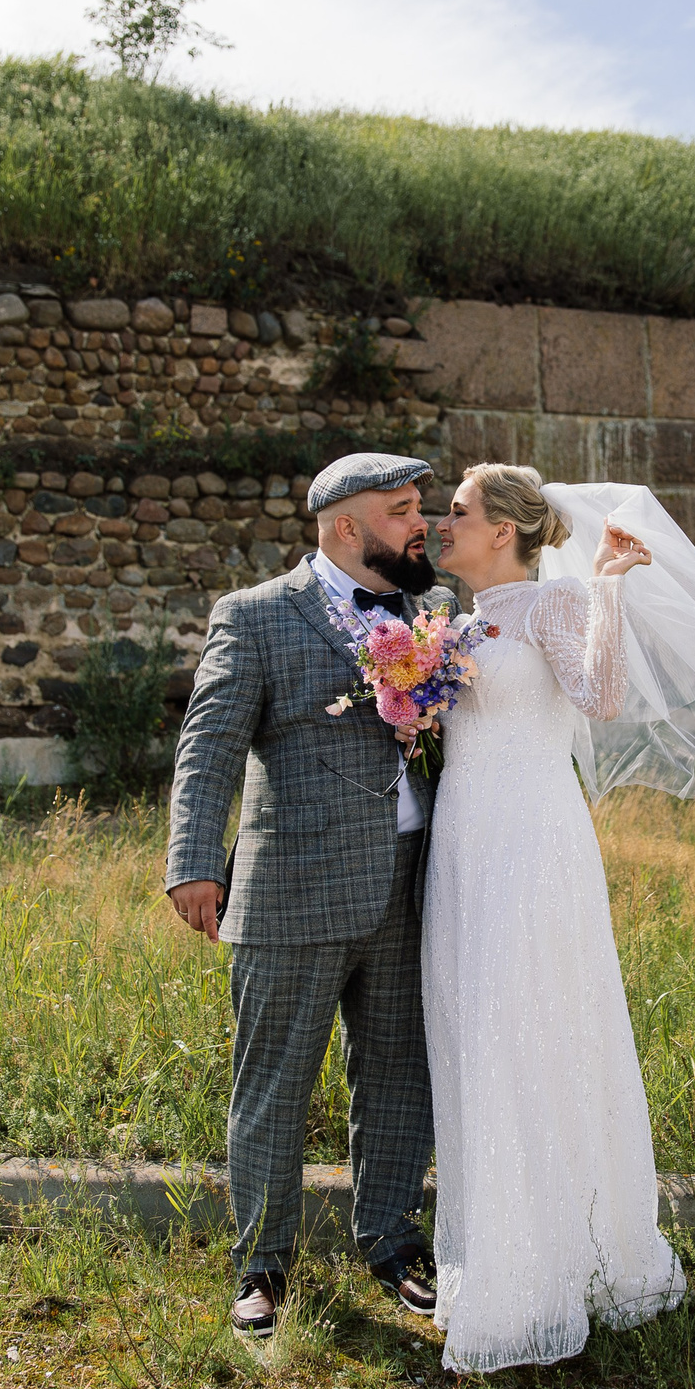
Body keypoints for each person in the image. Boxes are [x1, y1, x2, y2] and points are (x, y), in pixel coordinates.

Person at [422, 462, 695, 1373]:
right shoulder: (459, 622)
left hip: (533, 842)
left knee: (534, 1032)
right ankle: (507, 1254)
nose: (440, 523)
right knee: (475, 1034)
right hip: (464, 839)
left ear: (502, 528)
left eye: (457, 511)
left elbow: (600, 696)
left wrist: (610, 585)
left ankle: (563, 1269)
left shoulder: (553, 604)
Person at [163, 451, 452, 1341]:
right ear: (344, 527)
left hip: (415, 884)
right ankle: (261, 1261)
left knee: (401, 1075)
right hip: (292, 887)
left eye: (421, 508)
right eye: (401, 510)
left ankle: (394, 1242)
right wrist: (192, 858)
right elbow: (209, 742)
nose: (422, 524)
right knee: (275, 1083)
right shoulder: (252, 617)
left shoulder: (435, 614)